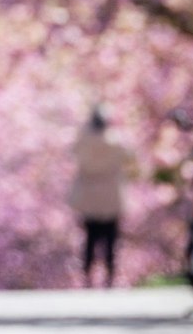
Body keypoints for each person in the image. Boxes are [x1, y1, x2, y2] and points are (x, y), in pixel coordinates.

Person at [68, 105, 134, 288]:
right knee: (111, 240)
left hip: (89, 196)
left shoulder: (83, 140)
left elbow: (73, 154)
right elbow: (130, 157)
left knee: (90, 239)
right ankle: (110, 276)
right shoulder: (115, 140)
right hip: (111, 196)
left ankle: (87, 275)